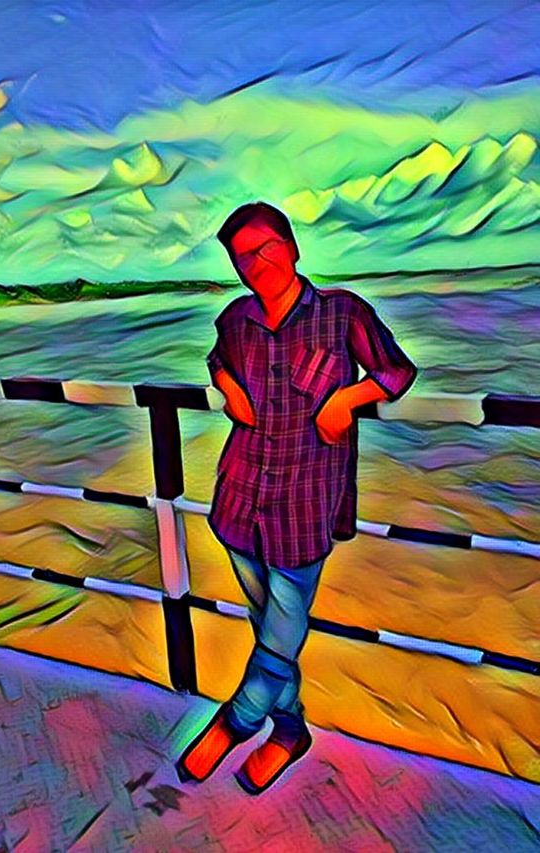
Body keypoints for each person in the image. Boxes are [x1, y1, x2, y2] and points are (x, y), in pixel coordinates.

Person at [176, 201, 417, 794]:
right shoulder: (235, 320)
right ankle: (289, 731)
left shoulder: (341, 312)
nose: (255, 264)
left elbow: (396, 372)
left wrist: (347, 399)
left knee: (282, 621)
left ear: (292, 247)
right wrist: (228, 386)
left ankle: (238, 721)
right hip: (240, 496)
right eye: (242, 258)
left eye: (264, 249)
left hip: (306, 501)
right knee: (270, 625)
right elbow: (216, 360)